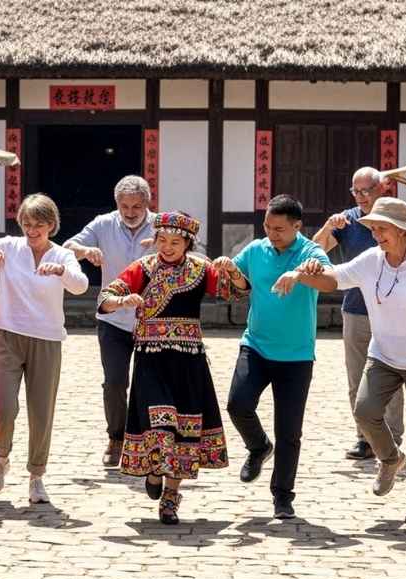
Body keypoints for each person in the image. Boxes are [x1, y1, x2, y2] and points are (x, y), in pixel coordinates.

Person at [283, 197, 406, 524]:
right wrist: (302, 274)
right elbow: (335, 278)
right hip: (384, 356)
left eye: (382, 229)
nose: (376, 235)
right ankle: (390, 458)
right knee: (365, 410)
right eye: (373, 229)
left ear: (402, 230)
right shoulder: (371, 260)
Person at [98, 211, 246, 524]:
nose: (167, 247)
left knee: (184, 428)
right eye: (162, 240)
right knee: (160, 421)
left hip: (188, 362)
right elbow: (106, 297)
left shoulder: (200, 269)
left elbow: (238, 291)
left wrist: (232, 270)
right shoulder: (143, 268)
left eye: (175, 242)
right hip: (151, 360)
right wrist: (122, 302)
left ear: (187, 244)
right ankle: (155, 471)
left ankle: (170, 497)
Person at [313, 167, 406, 461]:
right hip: (356, 311)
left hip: (395, 314)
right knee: (357, 378)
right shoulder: (347, 220)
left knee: (392, 377)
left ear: (382, 188)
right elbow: (315, 250)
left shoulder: (397, 217)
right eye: (355, 191)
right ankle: (365, 438)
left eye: (366, 191)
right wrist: (328, 227)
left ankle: (391, 439)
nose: (360, 197)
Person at [0, 194, 89, 504]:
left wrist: (61, 272)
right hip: (6, 334)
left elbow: (80, 285)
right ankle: (1, 458)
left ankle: (36, 475)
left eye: (38, 224)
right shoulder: (10, 247)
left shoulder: (62, 255)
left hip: (46, 339)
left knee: (41, 411)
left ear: (51, 225)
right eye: (26, 224)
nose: (32, 230)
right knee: (4, 407)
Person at [225, 195, 331, 520]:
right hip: (256, 345)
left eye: (280, 229)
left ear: (297, 226)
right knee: (237, 404)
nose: (272, 234)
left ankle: (282, 496)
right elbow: (240, 284)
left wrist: (300, 274)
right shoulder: (255, 250)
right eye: (268, 227)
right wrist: (229, 269)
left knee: (289, 431)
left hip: (297, 356)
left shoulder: (311, 252)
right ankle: (258, 446)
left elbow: (329, 280)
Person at [64, 175, 155, 467]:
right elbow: (68, 246)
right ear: (117, 204)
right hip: (113, 318)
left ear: (147, 203)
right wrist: (85, 251)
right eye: (124, 206)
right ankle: (116, 437)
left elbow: (193, 250)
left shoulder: (161, 226)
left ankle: (147, 440)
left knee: (151, 384)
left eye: (136, 207)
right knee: (114, 382)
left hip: (153, 319)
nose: (130, 212)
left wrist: (168, 245)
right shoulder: (103, 224)